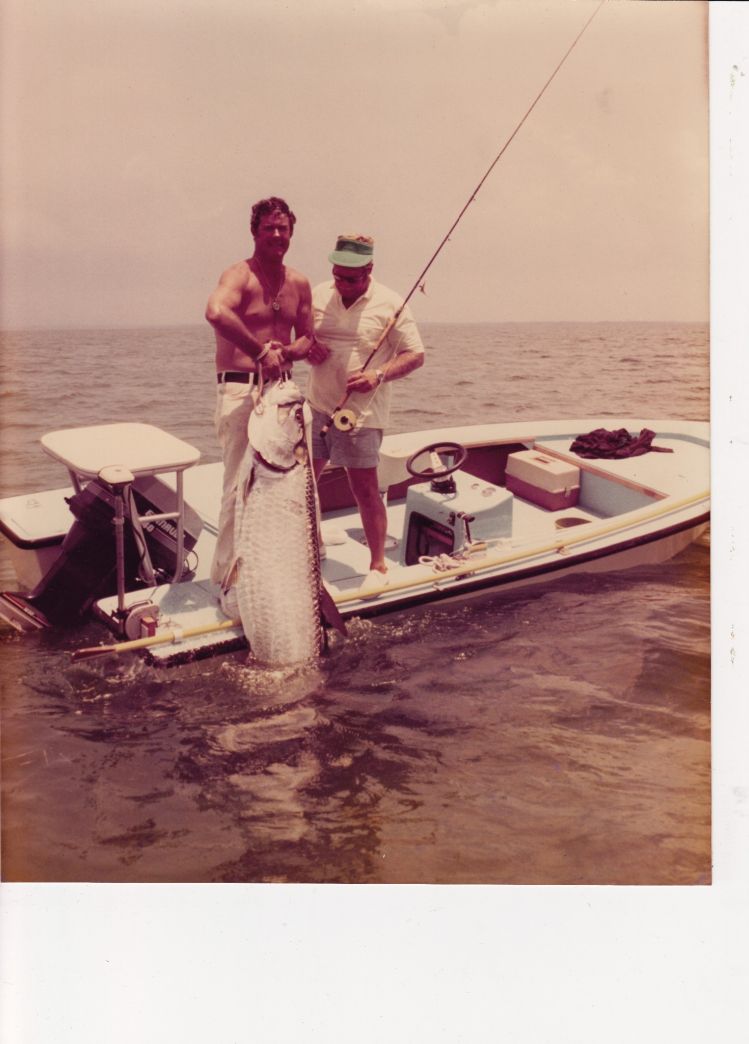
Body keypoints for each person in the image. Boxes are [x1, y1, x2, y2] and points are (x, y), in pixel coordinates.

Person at [205, 196, 314, 604]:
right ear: (254, 232)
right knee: (239, 486)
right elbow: (216, 312)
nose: (276, 235)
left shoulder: (299, 282)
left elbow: (308, 337)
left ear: (291, 233)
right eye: (268, 228)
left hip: (281, 392)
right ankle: (226, 583)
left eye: (283, 228)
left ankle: (277, 573)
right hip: (240, 390)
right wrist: (259, 350)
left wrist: (287, 352)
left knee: (290, 492)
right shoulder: (239, 276)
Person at [307, 233, 425, 595]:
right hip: (317, 405)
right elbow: (299, 336)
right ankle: (313, 546)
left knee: (364, 488)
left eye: (351, 278)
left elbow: (415, 355)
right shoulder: (318, 294)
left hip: (361, 413)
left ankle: (377, 563)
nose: (341, 284)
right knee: (305, 483)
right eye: (337, 275)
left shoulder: (391, 304)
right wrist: (307, 347)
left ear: (369, 269)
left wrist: (377, 375)